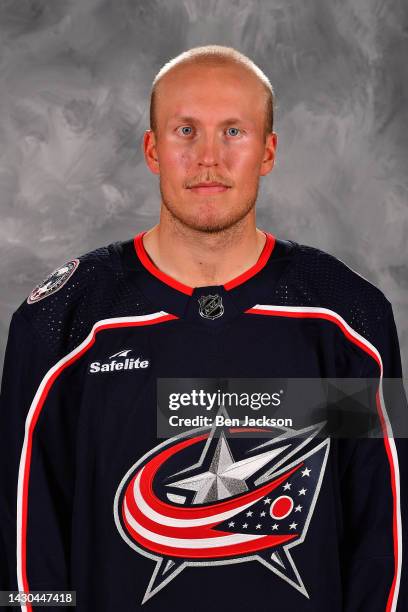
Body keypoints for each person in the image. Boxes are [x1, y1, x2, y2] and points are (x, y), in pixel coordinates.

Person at [0, 44, 406, 611]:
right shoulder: (61, 323)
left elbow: (385, 543)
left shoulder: (345, 320)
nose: (208, 158)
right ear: (152, 148)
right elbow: (24, 552)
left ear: (268, 151)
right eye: (185, 130)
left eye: (233, 132)